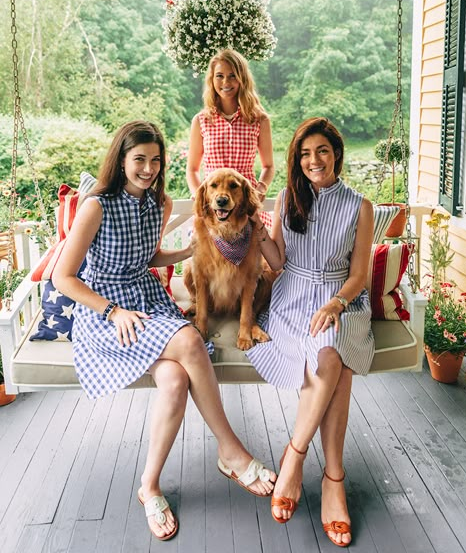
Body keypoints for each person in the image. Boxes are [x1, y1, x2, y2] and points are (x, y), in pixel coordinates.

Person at [53, 121, 276, 542]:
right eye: (139, 159)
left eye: (156, 160)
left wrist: (190, 251)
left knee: (174, 380)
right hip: (107, 311)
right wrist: (113, 311)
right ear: (121, 160)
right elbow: (65, 277)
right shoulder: (96, 206)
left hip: (146, 299)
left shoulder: (159, 202)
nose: (148, 169)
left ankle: (149, 486)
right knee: (192, 338)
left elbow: (150, 256)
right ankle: (231, 451)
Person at [247, 117, 375, 547]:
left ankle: (294, 457)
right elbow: (279, 259)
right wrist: (260, 233)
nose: (313, 161)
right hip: (291, 298)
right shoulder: (287, 197)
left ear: (336, 152)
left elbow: (359, 274)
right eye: (304, 154)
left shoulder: (360, 205)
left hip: (340, 298)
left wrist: (336, 303)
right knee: (334, 366)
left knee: (331, 352)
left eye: (321, 151)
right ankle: (333, 479)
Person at [186, 48, 274, 226]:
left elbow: (269, 166)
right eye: (219, 76)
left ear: (243, 79)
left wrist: (261, 188)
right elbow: (192, 169)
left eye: (232, 75)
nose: (226, 82)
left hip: (245, 207)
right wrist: (199, 197)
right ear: (212, 80)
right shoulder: (201, 120)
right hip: (213, 209)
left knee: (258, 252)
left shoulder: (259, 119)